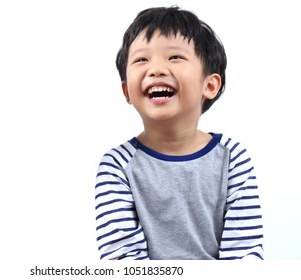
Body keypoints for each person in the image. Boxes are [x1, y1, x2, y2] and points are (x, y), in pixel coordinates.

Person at [94, 5, 264, 260]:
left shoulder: (232, 158)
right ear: (126, 91)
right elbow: (122, 263)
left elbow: (245, 256)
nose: (156, 69)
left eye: (174, 57)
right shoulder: (117, 165)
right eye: (141, 59)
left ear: (209, 85)